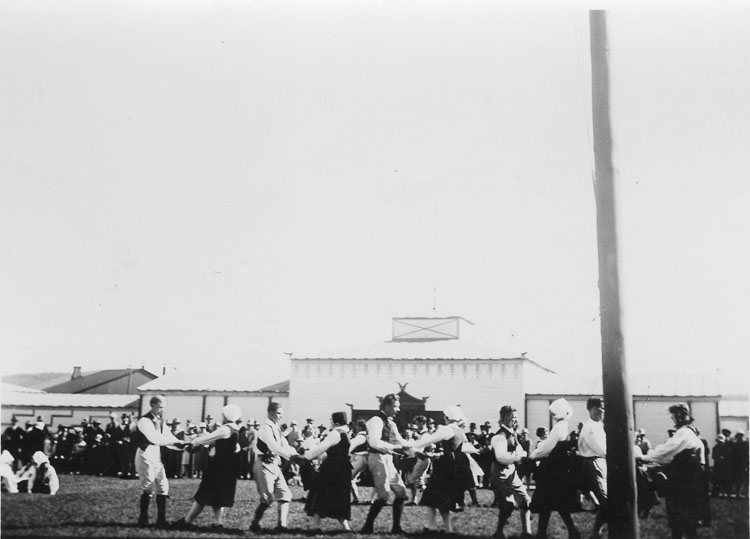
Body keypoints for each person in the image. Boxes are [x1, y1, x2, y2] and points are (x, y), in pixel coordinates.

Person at [639, 403, 711, 539]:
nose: (673, 419)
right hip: (691, 476)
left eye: (674, 417)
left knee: (680, 512)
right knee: (688, 514)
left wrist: (644, 458)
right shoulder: (691, 432)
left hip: (685, 477)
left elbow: (668, 449)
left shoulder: (684, 432)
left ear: (679, 416)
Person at [173, 404, 243, 530]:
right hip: (227, 468)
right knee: (218, 496)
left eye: (223, 414)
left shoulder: (225, 429)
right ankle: (218, 523)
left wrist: (193, 442)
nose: (222, 416)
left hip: (218, 467)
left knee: (202, 495)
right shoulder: (235, 429)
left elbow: (207, 438)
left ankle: (187, 521)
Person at [408, 405, 474, 535]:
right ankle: (448, 529)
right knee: (443, 501)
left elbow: (429, 440)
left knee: (429, 496)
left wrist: (411, 446)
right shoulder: (460, 431)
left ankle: (432, 526)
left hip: (446, 469)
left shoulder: (447, 429)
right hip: (457, 470)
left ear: (447, 417)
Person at [529, 398, 581, 539]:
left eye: (553, 412)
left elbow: (546, 447)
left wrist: (532, 456)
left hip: (552, 470)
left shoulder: (559, 427)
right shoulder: (564, 425)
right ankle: (569, 531)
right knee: (555, 503)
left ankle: (548, 533)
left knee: (550, 502)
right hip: (559, 468)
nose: (552, 415)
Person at [360, 393, 411, 534]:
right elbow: (374, 442)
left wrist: (415, 449)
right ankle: (367, 527)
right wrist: (396, 448)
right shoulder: (376, 420)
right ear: (387, 406)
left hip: (387, 457)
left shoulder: (390, 423)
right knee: (384, 495)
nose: (398, 410)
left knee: (401, 491)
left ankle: (396, 528)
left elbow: (399, 440)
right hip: (377, 457)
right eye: (395, 406)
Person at [133, 395, 186, 527]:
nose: (163, 410)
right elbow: (155, 438)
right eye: (160, 407)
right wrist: (176, 443)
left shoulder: (160, 420)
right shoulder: (144, 421)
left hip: (156, 454)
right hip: (145, 454)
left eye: (164, 407)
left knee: (163, 486)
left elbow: (168, 437)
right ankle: (143, 519)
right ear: (152, 405)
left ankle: (161, 520)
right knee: (148, 487)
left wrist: (183, 445)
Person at [248, 402, 299, 533]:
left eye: (281, 413)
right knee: (268, 497)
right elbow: (274, 447)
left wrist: (298, 455)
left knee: (285, 495)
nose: (280, 416)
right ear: (270, 412)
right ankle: (254, 524)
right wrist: (291, 457)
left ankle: (282, 525)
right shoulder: (265, 428)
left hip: (275, 464)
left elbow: (284, 444)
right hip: (264, 465)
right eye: (278, 413)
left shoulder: (275, 427)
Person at [303, 411, 353, 532]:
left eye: (332, 420)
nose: (330, 423)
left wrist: (306, 456)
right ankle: (345, 527)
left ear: (336, 422)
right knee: (341, 498)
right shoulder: (346, 434)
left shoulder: (335, 433)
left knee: (319, 495)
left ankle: (315, 526)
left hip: (331, 469)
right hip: (344, 470)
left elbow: (321, 448)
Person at [490, 405, 532, 539]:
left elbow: (519, 449)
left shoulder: (512, 433)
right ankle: (499, 532)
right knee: (508, 505)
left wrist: (523, 455)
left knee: (525, 501)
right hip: (500, 473)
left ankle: (527, 533)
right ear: (503, 419)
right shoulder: (500, 436)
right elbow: (500, 457)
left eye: (516, 417)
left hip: (511, 471)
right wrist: (518, 458)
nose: (515, 420)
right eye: (512, 418)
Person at [577, 397, 607, 539]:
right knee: (607, 502)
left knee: (606, 503)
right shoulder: (589, 427)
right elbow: (601, 449)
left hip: (600, 462)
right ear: (592, 409)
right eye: (600, 408)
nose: (603, 411)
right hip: (593, 464)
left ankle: (596, 534)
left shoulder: (599, 425)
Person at [405, 415, 432, 506]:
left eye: (417, 423)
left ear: (422, 423)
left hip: (422, 459)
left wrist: (410, 449)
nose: (416, 425)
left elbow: (420, 449)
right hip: (422, 459)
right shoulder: (423, 434)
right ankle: (415, 500)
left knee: (413, 480)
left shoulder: (425, 435)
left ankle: (428, 496)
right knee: (417, 481)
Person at [349, 419, 371, 505]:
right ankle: (355, 498)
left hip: (359, 458)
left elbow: (350, 444)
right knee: (350, 479)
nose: (356, 427)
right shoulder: (367, 436)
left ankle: (355, 499)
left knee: (348, 478)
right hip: (363, 458)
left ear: (360, 427)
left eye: (357, 426)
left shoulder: (361, 437)